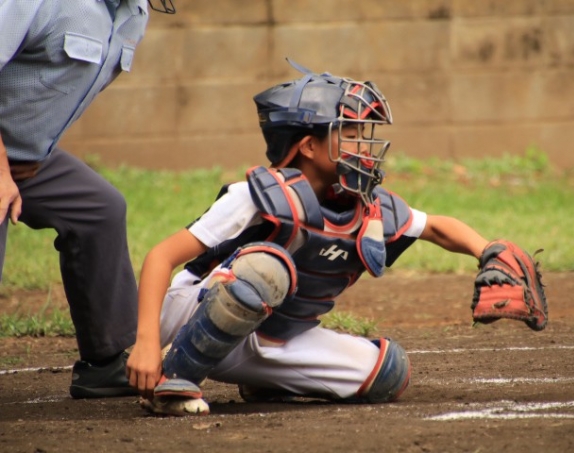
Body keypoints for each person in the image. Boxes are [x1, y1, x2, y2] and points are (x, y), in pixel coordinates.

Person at [126, 60, 519, 416]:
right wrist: (145, 342)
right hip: (187, 314)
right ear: (309, 146)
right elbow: (161, 257)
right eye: (349, 133)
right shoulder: (256, 197)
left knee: (387, 373)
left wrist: (488, 250)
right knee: (265, 269)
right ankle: (173, 380)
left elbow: (435, 227)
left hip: (266, 339)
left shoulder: (365, 206)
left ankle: (265, 381)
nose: (363, 146)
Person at [0, 0, 175, 399]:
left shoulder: (134, 13)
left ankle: (105, 362)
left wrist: (30, 147)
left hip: (23, 158)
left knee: (98, 210)